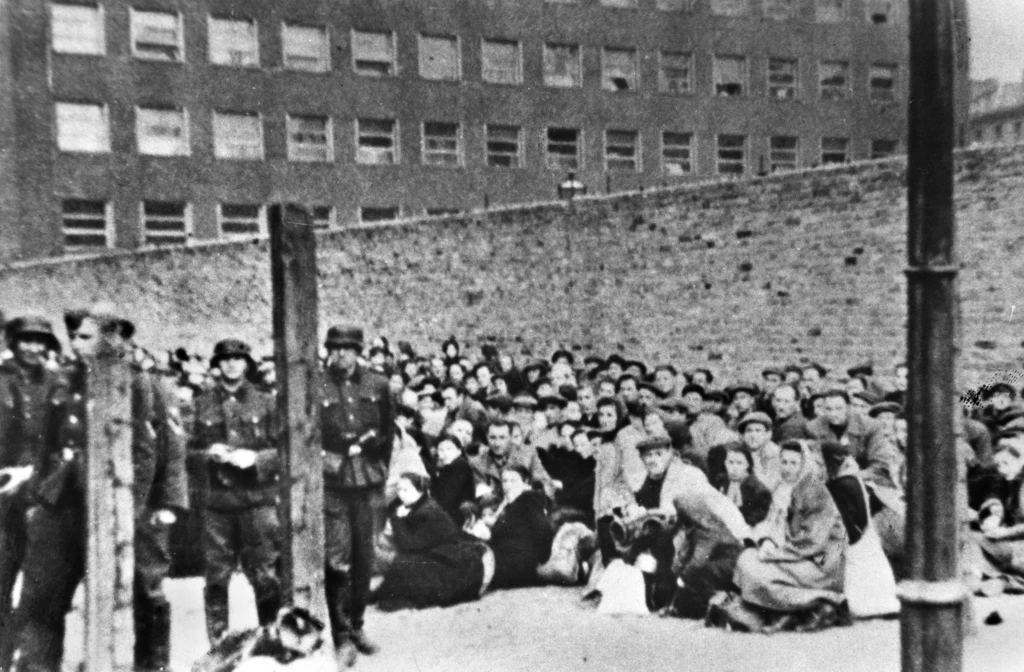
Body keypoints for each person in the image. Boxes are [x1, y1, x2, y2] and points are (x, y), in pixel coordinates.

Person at [13, 306, 188, 672]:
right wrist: (37, 499)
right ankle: (37, 666)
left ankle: (151, 666)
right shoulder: (64, 382)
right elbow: (46, 445)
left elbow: (167, 450)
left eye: (85, 336)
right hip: (65, 501)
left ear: (116, 338)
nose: (76, 344)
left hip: (132, 505)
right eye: (74, 336)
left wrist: (163, 505)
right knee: (42, 592)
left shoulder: (147, 384)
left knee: (146, 591)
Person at [190, 338, 282, 644]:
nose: (231, 363)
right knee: (216, 577)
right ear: (217, 364)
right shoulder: (200, 402)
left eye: (237, 358)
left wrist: (257, 459)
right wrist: (208, 455)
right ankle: (219, 645)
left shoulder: (266, 401)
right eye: (225, 358)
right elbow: (186, 452)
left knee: (265, 575)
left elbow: (285, 449)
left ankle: (269, 640)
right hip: (216, 503)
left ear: (247, 364)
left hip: (257, 501)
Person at [320, 325, 394, 668]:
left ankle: (359, 624)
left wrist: (378, 472)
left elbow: (387, 434)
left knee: (365, 557)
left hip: (367, 481)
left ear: (358, 351)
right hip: (333, 482)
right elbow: (308, 436)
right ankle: (342, 636)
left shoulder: (377, 385)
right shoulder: (317, 384)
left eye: (348, 348)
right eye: (335, 348)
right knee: (338, 561)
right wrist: (331, 462)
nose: (341, 355)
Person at [0, 316, 65, 669]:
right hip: (1, 498)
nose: (33, 348)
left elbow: (62, 442)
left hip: (41, 497)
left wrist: (34, 474)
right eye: (26, 340)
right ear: (12, 341)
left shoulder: (57, 380)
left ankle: (34, 663)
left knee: (40, 591)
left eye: (40, 341)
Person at [732, 441, 849, 632]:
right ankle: (792, 611)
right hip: (796, 554)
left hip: (821, 563)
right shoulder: (787, 488)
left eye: (794, 463)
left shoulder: (816, 491)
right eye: (784, 462)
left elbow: (813, 541)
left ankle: (824, 602)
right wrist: (767, 541)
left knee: (758, 574)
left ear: (805, 465)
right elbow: (774, 524)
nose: (787, 469)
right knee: (746, 560)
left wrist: (776, 554)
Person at [373, 473, 492, 610]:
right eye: (399, 489)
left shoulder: (428, 511)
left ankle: (383, 594)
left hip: (454, 563)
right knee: (406, 564)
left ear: (420, 490)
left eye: (406, 490)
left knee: (406, 565)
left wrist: (397, 520)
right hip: (441, 555)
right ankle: (381, 593)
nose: (401, 494)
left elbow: (409, 544)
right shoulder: (418, 506)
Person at [473, 465, 554, 590]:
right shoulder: (511, 503)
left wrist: (538, 563)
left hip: (518, 564)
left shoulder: (529, 501)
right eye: (505, 481)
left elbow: (544, 532)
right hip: (508, 559)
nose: (508, 485)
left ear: (526, 483)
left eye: (513, 481)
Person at [713, 442, 772, 527]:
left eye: (739, 463)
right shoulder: (720, 480)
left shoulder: (760, 492)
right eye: (730, 462)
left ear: (748, 464)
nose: (734, 468)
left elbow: (750, 522)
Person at [431, 436, 477, 526]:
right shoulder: (443, 469)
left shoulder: (460, 465)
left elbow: (447, 498)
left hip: (455, 519)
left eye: (449, 449)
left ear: (459, 451)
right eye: (441, 450)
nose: (445, 453)